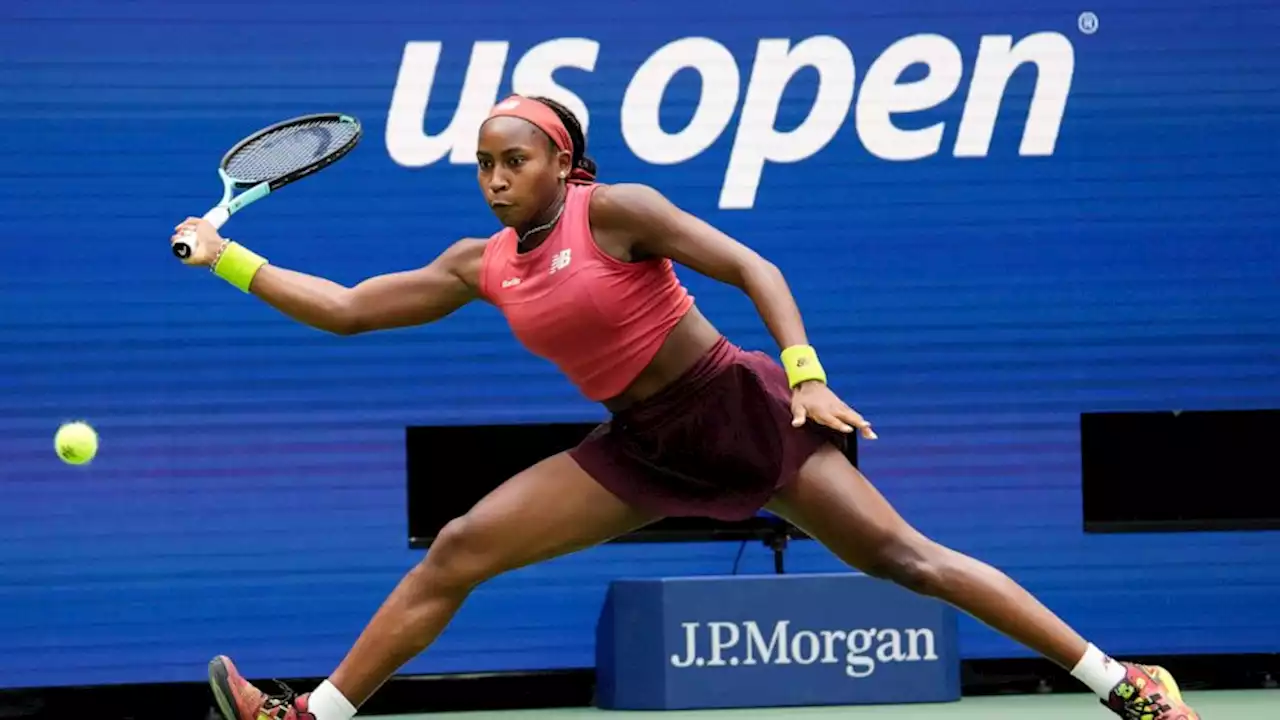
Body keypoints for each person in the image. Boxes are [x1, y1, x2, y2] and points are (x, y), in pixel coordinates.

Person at [171, 95, 1200, 720]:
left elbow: (752, 264)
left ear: (561, 165)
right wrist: (227, 260)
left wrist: (803, 374)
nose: (493, 180)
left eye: (511, 161)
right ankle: (309, 713)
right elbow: (350, 311)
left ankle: (1120, 680)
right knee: (459, 546)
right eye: (482, 164)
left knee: (907, 562)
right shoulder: (476, 264)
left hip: (741, 411)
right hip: (643, 446)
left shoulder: (615, 211)